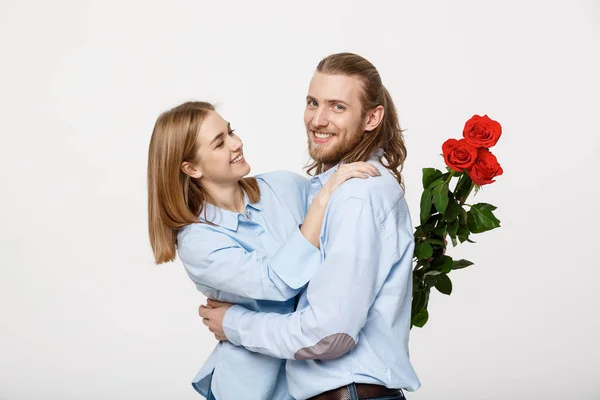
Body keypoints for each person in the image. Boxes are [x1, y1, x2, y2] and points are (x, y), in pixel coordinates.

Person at [199, 52, 421, 400]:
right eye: (312, 102)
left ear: (372, 117)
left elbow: (328, 334)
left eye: (337, 107)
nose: (318, 119)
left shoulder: (356, 197)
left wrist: (234, 324)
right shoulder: (337, 190)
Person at [147, 101, 379, 399]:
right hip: (251, 389)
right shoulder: (197, 242)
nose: (236, 143)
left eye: (230, 131)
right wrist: (322, 199)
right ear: (191, 168)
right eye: (220, 143)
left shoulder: (284, 186)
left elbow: (345, 235)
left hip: (318, 379)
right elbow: (276, 282)